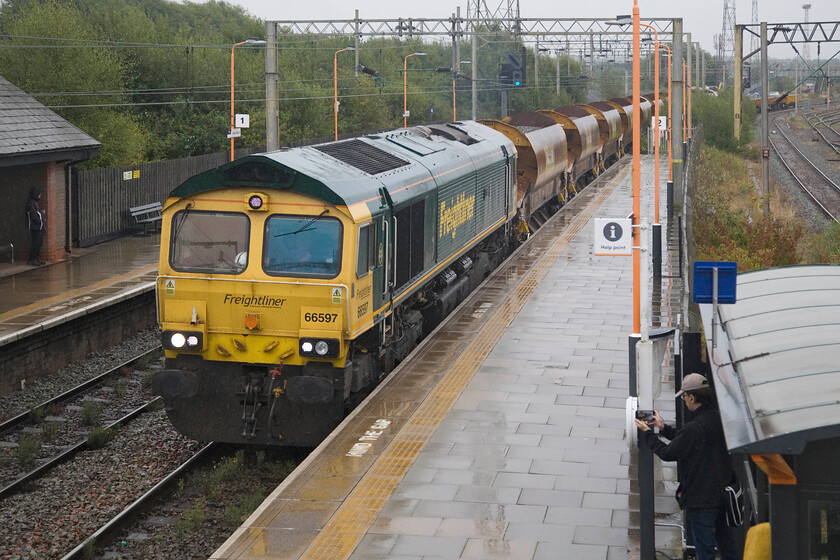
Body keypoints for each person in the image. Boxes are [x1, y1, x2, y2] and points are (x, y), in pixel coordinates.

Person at [634, 373, 739, 560]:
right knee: (727, 546)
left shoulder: (694, 427)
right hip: (724, 494)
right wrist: (663, 427)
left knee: (704, 550)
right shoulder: (719, 419)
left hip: (701, 499)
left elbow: (668, 453)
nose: (684, 401)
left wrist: (648, 434)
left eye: (684, 397)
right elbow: (687, 440)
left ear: (692, 397)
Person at [25, 187, 46, 266]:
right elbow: (33, 214)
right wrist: (39, 221)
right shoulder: (31, 203)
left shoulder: (35, 202)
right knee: (35, 243)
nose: (40, 196)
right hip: (35, 227)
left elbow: (37, 212)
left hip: (39, 226)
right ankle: (32, 259)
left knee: (39, 243)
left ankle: (36, 258)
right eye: (39, 194)